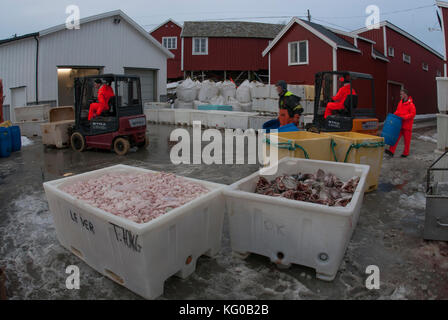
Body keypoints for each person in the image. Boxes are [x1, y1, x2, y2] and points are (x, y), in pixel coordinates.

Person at [385, 89, 416, 158]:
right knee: (395, 138)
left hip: (407, 126)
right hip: (399, 125)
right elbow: (398, 111)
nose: (400, 95)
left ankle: (406, 153)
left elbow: (413, 114)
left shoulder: (411, 105)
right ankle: (391, 151)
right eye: (400, 94)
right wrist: (393, 116)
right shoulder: (400, 103)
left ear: (405, 94)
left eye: (401, 94)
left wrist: (404, 117)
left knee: (407, 141)